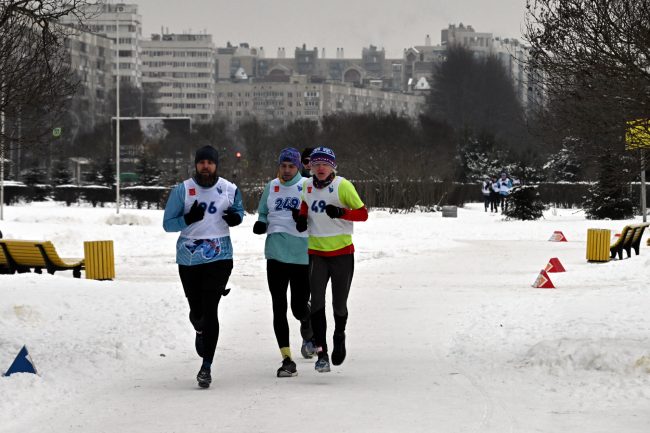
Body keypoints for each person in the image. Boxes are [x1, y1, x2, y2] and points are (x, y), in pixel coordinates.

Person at [163, 145, 244, 389]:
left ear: (216, 165)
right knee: (197, 313)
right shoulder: (183, 190)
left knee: (210, 310)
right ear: (196, 165)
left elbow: (239, 212)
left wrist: (235, 218)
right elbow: (168, 224)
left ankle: (206, 366)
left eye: (210, 162)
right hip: (189, 258)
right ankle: (199, 328)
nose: (205, 166)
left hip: (220, 256)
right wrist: (188, 219)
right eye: (202, 162)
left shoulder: (229, 189)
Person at [294, 147, 368, 373]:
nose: (320, 168)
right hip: (316, 253)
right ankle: (321, 352)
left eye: (325, 164)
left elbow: (363, 214)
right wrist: (302, 218)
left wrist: (341, 213)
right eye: (316, 164)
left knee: (339, 304)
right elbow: (305, 204)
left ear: (333, 166)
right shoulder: (306, 185)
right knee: (316, 303)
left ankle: (339, 335)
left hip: (342, 254)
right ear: (311, 167)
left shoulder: (343, 186)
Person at [253, 148, 315, 378]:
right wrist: (261, 223)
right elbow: (262, 212)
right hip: (276, 254)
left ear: (298, 166)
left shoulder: (307, 186)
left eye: (291, 166)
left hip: (301, 255)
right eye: (283, 165)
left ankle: (307, 324)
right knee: (278, 306)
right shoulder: (271, 186)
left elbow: (317, 217)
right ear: (278, 166)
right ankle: (287, 359)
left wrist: (302, 219)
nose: (287, 170)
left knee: (297, 307)